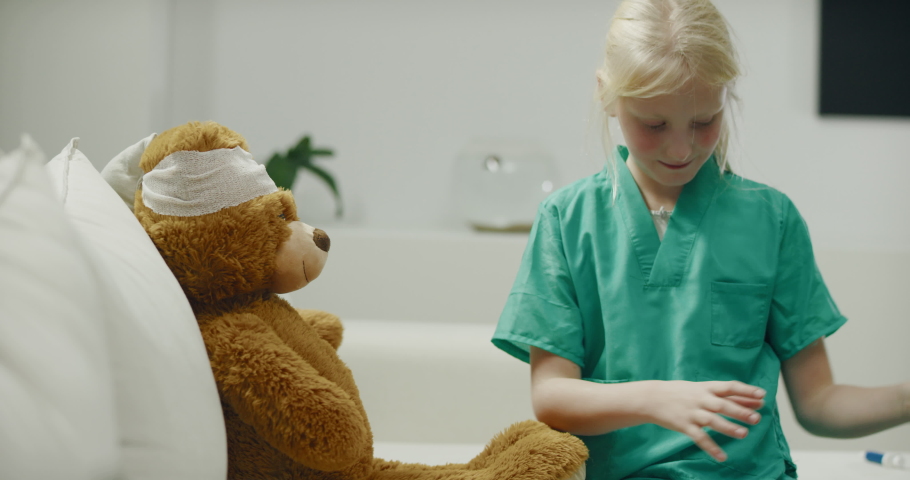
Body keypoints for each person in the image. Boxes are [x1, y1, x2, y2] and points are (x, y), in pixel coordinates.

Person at [491, 1, 910, 478]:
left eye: (703, 121)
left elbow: (819, 403)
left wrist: (905, 397)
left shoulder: (771, 220)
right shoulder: (568, 220)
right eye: (654, 125)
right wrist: (657, 398)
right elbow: (551, 397)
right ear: (607, 96)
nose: (681, 148)